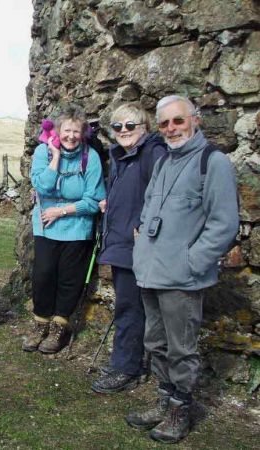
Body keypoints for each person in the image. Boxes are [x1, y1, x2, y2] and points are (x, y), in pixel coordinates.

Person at [127, 95, 239, 444]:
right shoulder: (164, 162)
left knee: (181, 348)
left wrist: (193, 264)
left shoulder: (213, 162)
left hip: (182, 278)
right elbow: (149, 211)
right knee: (155, 342)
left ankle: (181, 408)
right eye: (164, 124)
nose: (171, 129)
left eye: (178, 121)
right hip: (150, 271)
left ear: (195, 119)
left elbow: (224, 224)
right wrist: (142, 243)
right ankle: (163, 400)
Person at [91, 103, 166, 394]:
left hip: (139, 246)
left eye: (130, 125)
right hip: (123, 243)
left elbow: (160, 196)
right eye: (118, 126)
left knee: (130, 308)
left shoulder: (152, 153)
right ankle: (129, 363)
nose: (123, 131)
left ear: (144, 127)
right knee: (129, 307)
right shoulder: (122, 157)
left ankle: (125, 368)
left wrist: (142, 224)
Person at [23, 104, 106, 354]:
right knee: (43, 275)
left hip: (77, 227)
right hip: (46, 227)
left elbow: (94, 200)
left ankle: (59, 327)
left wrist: (61, 211)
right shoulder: (43, 152)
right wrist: (55, 157)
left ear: (83, 133)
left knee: (70, 280)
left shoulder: (90, 157)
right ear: (57, 131)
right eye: (66, 131)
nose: (71, 136)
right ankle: (40, 324)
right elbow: (42, 186)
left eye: (76, 131)